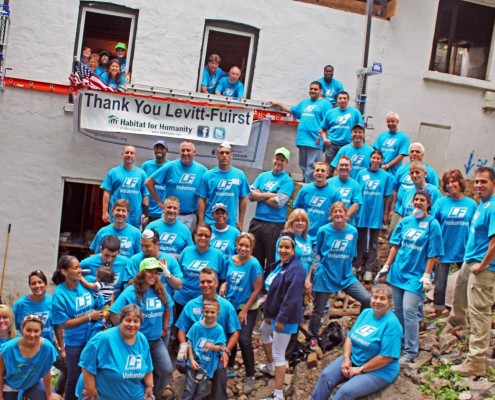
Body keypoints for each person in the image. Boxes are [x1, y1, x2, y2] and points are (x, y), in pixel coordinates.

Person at [380, 188, 444, 363]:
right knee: (398, 311)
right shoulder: (406, 221)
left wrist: (426, 274)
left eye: (422, 200)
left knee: (409, 310)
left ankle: (411, 351)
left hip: (416, 276)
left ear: (428, 204)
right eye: (416, 199)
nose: (418, 203)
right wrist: (386, 265)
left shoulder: (433, 224)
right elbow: (395, 246)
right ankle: (398, 342)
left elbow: (433, 253)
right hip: (398, 272)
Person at [310, 284, 402, 400]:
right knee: (326, 376)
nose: (377, 301)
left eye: (382, 298)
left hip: (379, 370)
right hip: (355, 359)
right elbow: (350, 337)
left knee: (345, 392)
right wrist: (346, 359)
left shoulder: (392, 325)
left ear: (389, 302)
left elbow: (386, 357)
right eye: (375, 297)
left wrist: (360, 369)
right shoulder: (366, 313)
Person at [449, 167, 495, 377]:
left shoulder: (493, 207)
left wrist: (483, 265)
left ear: (493, 184)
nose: (478, 186)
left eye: (483, 182)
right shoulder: (481, 205)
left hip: (482, 268)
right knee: (459, 292)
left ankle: (476, 360)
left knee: (479, 312)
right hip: (471, 261)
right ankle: (457, 322)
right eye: (476, 182)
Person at [307, 202, 371, 350]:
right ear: (331, 214)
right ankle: (312, 336)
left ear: (346, 213)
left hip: (346, 275)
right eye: (335, 211)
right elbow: (319, 252)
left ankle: (359, 329)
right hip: (326, 275)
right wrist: (316, 270)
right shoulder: (323, 230)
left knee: (367, 299)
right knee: (318, 309)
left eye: (341, 211)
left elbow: (352, 254)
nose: (338, 214)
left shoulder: (353, 231)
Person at [110, 258, 173, 399]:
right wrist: (123, 332)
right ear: (142, 273)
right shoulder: (130, 292)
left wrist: (165, 327)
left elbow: (168, 307)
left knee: (166, 369)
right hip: (136, 342)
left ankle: (152, 395)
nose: (153, 275)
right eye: (150, 271)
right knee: (136, 373)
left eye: (156, 272)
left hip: (155, 340)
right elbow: (114, 312)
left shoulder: (160, 290)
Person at [175, 268, 241, 400]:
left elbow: (235, 332)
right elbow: (181, 330)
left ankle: (218, 396)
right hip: (193, 350)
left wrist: (226, 351)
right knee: (182, 364)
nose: (206, 285)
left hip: (215, 351)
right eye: (202, 282)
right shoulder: (191, 305)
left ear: (216, 283)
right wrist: (183, 346)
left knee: (221, 367)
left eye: (209, 281)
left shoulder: (226, 306)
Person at [259, 231, 306, 400]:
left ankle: (278, 395)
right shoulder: (280, 265)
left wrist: (281, 319)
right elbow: (273, 291)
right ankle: (271, 366)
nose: (283, 250)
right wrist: (266, 310)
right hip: (273, 314)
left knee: (280, 353)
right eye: (281, 246)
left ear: (294, 249)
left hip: (285, 319)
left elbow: (292, 298)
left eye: (287, 247)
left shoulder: (297, 270)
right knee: (264, 332)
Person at [51, 256, 104, 400]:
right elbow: (63, 323)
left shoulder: (87, 282)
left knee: (92, 374)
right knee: (74, 376)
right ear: (64, 271)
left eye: (79, 266)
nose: (79, 270)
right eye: (75, 268)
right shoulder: (59, 295)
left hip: (93, 337)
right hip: (75, 342)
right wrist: (88, 317)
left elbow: (101, 298)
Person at [75, 304, 154, 400]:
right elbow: (86, 363)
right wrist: (90, 388)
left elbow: (148, 368)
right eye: (128, 320)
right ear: (120, 321)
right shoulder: (103, 338)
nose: (132, 325)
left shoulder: (142, 340)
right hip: (101, 394)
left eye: (136, 321)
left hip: (133, 392)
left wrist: (149, 387)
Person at [219, 232, 263, 394]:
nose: (243, 248)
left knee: (244, 339)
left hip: (248, 307)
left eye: (247, 246)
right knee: (230, 335)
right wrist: (223, 284)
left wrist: (244, 310)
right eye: (241, 245)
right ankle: (229, 366)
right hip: (231, 305)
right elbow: (224, 278)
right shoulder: (230, 260)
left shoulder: (253, 264)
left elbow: (258, 289)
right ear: (236, 245)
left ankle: (251, 374)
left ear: (251, 248)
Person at [430, 170, 476, 319]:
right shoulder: (440, 203)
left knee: (468, 285)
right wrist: (434, 252)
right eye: (447, 183)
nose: (450, 185)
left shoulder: (471, 204)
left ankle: (465, 315)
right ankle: (437, 317)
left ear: (460, 182)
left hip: (465, 251)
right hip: (443, 251)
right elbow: (432, 228)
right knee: (439, 286)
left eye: (453, 181)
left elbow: (475, 229)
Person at [13, 270, 67, 395]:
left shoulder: (52, 302)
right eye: (33, 283)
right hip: (27, 348)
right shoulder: (21, 305)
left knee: (68, 368)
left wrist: (62, 348)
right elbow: (13, 327)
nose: (37, 286)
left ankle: (57, 392)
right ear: (30, 286)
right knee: (32, 377)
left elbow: (57, 326)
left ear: (46, 283)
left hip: (48, 346)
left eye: (40, 282)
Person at [270, 82, 331, 182]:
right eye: (311, 89)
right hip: (302, 139)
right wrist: (278, 103)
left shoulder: (325, 104)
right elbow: (292, 110)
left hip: (315, 140)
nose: (312, 91)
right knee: (303, 165)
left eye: (315, 89)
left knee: (312, 166)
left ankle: (311, 187)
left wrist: (326, 135)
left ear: (320, 91)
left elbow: (329, 120)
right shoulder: (304, 103)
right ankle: (305, 184)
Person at [249, 147, 295, 272]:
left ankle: (268, 287)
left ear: (286, 163)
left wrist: (260, 194)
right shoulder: (262, 176)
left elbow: (279, 202)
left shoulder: (287, 181)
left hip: (275, 224)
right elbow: (250, 195)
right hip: (257, 221)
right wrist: (271, 194)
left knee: (271, 258)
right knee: (254, 255)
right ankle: (255, 284)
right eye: (277, 158)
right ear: (273, 159)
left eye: (282, 160)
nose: (279, 162)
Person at [146, 141, 207, 231]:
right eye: (183, 150)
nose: (185, 153)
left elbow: (206, 194)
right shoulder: (170, 166)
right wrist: (159, 202)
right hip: (170, 214)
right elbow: (149, 183)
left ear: (194, 152)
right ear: (179, 152)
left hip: (190, 217)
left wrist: (200, 214)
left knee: (185, 242)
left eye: (188, 150)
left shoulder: (202, 170)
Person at [0, 314, 62, 400]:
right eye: (28, 330)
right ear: (22, 329)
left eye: (36, 331)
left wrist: (49, 394)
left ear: (41, 331)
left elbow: (46, 372)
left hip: (32, 383)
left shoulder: (46, 347)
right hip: (11, 385)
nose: (32, 335)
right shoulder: (8, 349)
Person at [355, 149, 393, 282]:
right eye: (374, 158)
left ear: (382, 160)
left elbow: (388, 196)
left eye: (378, 158)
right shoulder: (361, 174)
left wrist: (386, 212)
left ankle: (370, 268)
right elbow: (356, 193)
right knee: (360, 239)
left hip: (376, 212)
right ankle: (357, 264)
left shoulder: (386, 176)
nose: (376, 160)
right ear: (370, 159)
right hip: (362, 212)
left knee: (373, 243)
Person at [174, 225, 226, 319]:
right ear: (194, 236)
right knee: (180, 331)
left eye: (206, 236)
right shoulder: (186, 251)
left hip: (206, 303)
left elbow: (223, 278)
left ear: (210, 238)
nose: (203, 238)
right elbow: (178, 274)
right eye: (200, 235)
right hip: (182, 299)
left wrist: (223, 284)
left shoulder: (218, 255)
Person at [197, 142, 250, 230]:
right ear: (217, 155)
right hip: (210, 222)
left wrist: (240, 222)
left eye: (227, 153)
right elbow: (202, 199)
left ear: (231, 155)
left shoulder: (240, 175)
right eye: (221, 153)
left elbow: (243, 198)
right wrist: (201, 222)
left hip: (230, 223)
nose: (224, 155)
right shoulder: (208, 175)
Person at [182, 298, 226, 400]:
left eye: (212, 312)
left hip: (208, 365)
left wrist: (211, 346)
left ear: (218, 313)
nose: (209, 314)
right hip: (194, 362)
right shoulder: (196, 326)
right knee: (189, 388)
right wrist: (191, 359)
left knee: (202, 389)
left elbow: (221, 347)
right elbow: (190, 343)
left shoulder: (219, 329)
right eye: (206, 312)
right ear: (202, 312)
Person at [389, 142, 439, 230]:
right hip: (401, 209)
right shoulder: (401, 170)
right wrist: (392, 209)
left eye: (417, 151)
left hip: (422, 216)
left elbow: (435, 203)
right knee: (392, 232)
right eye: (412, 151)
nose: (414, 154)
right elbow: (395, 189)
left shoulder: (430, 172)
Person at [293, 161, 342, 246]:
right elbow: (296, 211)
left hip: (324, 238)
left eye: (323, 171)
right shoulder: (305, 190)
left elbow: (339, 216)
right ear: (313, 173)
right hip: (304, 237)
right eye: (317, 170)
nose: (320, 173)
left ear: (327, 174)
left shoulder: (335, 193)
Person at [101, 145, 149, 228]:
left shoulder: (142, 174)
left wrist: (145, 213)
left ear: (135, 156)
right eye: (127, 152)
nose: (129, 155)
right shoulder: (113, 172)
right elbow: (107, 192)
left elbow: (145, 194)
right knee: (115, 239)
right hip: (117, 215)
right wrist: (104, 212)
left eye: (132, 153)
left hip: (135, 216)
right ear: (122, 155)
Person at [319, 91, 364, 174]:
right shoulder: (330, 113)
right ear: (337, 100)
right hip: (331, 145)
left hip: (347, 146)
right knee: (329, 169)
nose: (342, 100)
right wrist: (325, 139)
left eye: (344, 98)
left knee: (345, 168)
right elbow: (323, 130)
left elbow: (361, 129)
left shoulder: (355, 113)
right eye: (340, 98)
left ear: (348, 100)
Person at [274, 209, 313, 275]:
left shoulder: (308, 239)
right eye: (297, 220)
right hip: (291, 278)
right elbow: (281, 263)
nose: (300, 223)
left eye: (303, 220)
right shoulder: (284, 239)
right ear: (291, 222)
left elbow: (310, 262)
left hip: (306, 279)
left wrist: (308, 279)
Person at [327, 156, 362, 226]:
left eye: (346, 165)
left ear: (351, 167)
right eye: (341, 165)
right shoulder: (329, 183)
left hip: (348, 224)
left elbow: (356, 204)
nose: (344, 167)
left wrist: (345, 218)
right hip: (330, 223)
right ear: (337, 167)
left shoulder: (355, 185)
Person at [373, 112, 410, 176]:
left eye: (393, 121)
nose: (390, 123)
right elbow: (376, 152)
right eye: (388, 121)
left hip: (394, 173)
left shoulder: (404, 137)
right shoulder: (381, 136)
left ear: (397, 122)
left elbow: (401, 156)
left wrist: (387, 166)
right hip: (379, 170)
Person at [141, 140, 169, 223]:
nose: (159, 150)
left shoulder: (170, 166)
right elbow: (141, 187)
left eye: (162, 148)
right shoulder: (146, 165)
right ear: (154, 149)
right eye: (157, 148)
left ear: (166, 150)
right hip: (147, 211)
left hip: (163, 212)